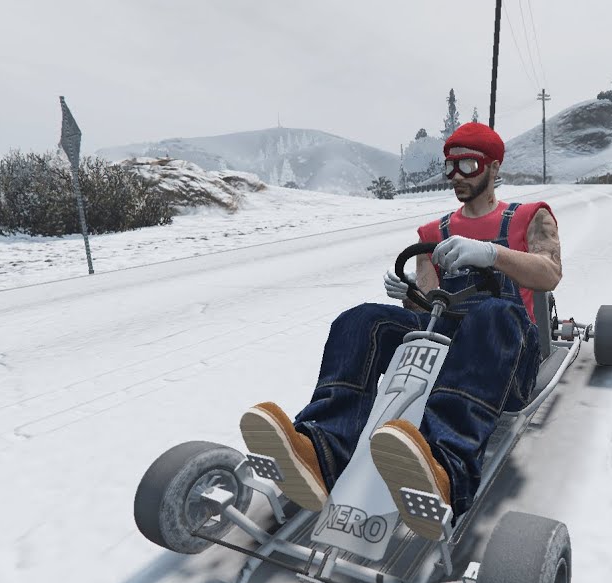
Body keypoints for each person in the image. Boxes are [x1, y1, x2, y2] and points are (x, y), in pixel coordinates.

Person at [239, 122, 562, 539]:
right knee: (361, 319)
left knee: (493, 314)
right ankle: (322, 448)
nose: (456, 176)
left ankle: (446, 469)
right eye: (450, 166)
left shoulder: (529, 217)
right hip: (447, 349)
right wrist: (409, 293)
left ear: (494, 167)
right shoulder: (434, 234)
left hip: (505, 355)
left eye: (467, 165)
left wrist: (491, 254)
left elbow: (549, 273)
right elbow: (429, 305)